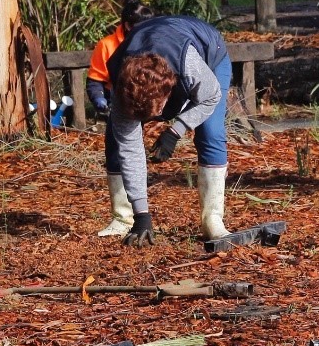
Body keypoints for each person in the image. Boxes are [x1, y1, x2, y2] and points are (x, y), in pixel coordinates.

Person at [98, 15, 231, 245]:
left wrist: (175, 130)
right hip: (152, 45)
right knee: (115, 138)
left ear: (168, 93)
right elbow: (130, 150)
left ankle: (213, 219)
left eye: (155, 113)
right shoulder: (123, 88)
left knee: (210, 131)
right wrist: (142, 215)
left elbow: (211, 97)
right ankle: (124, 218)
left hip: (209, 52)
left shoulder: (188, 65)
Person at [86, 0, 153, 122]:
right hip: (115, 102)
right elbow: (95, 82)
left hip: (147, 102)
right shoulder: (106, 45)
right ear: (128, 25)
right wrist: (98, 98)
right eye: (142, 28)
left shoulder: (153, 43)